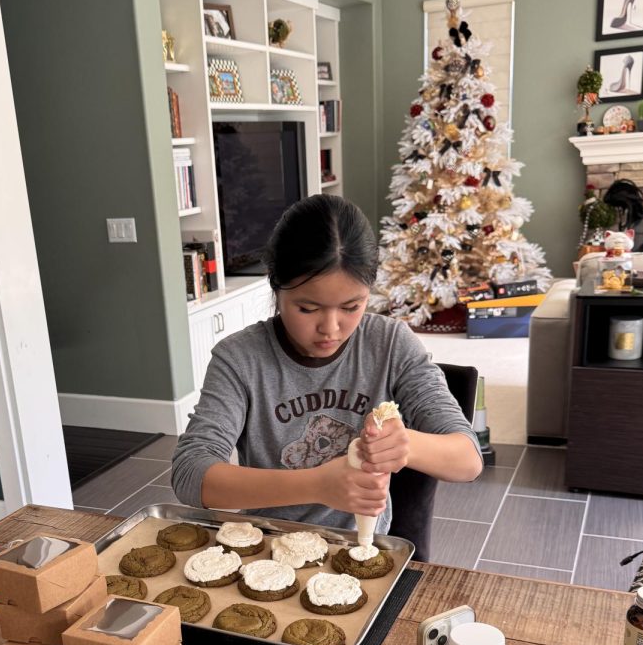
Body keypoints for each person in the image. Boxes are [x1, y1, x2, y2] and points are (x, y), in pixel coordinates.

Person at [171, 195, 482, 542]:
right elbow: (190, 475)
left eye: (352, 306)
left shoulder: (391, 344)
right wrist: (318, 485)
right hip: (270, 546)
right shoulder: (240, 359)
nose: (330, 328)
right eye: (307, 308)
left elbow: (468, 459)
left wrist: (406, 444)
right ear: (276, 286)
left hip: (361, 550)